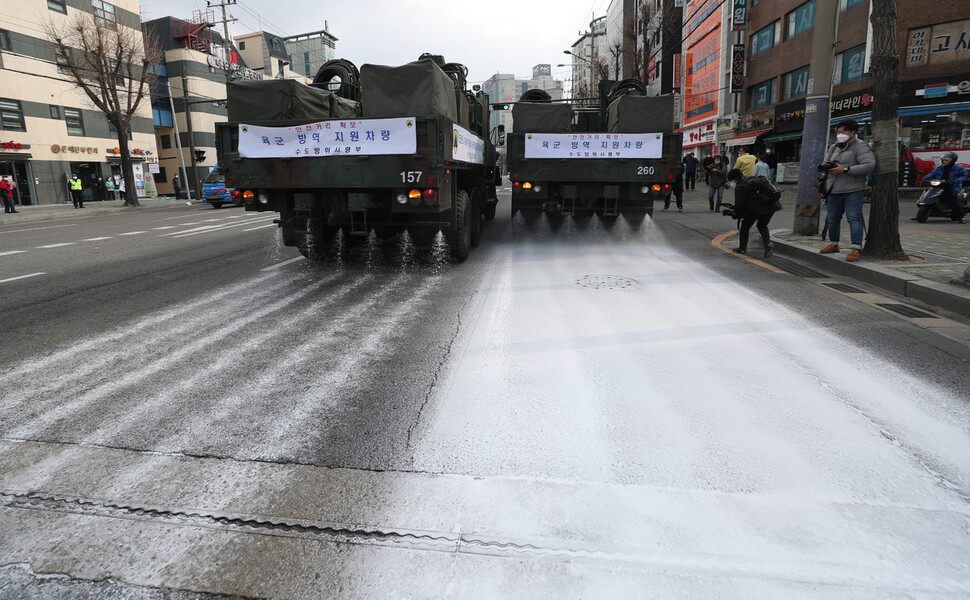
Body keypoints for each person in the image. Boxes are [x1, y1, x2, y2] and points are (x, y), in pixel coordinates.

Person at [819, 119, 877, 261]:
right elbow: (826, 163)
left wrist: (845, 169)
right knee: (832, 219)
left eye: (843, 131)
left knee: (854, 218)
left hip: (853, 189)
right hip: (834, 189)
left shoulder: (860, 146)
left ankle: (855, 248)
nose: (840, 134)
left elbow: (869, 165)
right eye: (838, 131)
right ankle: (834, 244)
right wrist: (827, 166)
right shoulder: (834, 147)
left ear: (852, 132)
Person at [726, 168, 781, 257]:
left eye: (731, 180)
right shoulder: (751, 179)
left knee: (745, 227)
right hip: (772, 205)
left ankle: (742, 249)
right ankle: (768, 245)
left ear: (735, 179)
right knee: (762, 225)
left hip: (757, 208)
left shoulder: (740, 186)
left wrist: (735, 213)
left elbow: (740, 205)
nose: (732, 182)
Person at [921, 152, 966, 224]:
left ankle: (960, 217)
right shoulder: (939, 168)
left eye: (946, 160)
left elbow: (964, 176)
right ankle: (922, 213)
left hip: (951, 186)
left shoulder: (958, 168)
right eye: (944, 160)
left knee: (953, 201)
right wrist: (924, 179)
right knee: (927, 194)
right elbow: (931, 174)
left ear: (952, 161)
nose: (944, 161)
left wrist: (957, 180)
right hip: (939, 185)